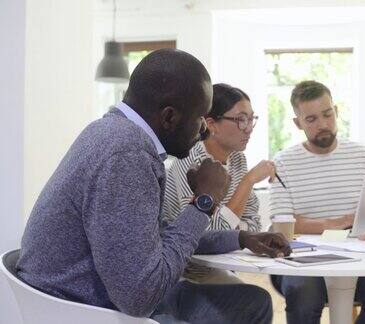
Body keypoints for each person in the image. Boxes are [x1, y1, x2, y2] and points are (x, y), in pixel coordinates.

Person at [16, 49, 290, 324]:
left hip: (99, 298)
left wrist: (240, 239)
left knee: (254, 302)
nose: (204, 131)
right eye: (199, 118)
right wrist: (204, 201)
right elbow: (140, 298)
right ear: (169, 117)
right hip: (89, 311)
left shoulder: (113, 133)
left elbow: (153, 238)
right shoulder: (126, 155)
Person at [269, 80, 365, 324]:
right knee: (303, 294)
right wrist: (341, 222)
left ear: (336, 112)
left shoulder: (362, 155)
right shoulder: (283, 162)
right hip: (303, 257)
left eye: (327, 115)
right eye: (312, 119)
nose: (323, 125)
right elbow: (284, 225)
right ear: (298, 123)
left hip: (360, 254)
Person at [163, 83, 275, 284]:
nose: (248, 128)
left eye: (251, 119)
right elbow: (204, 235)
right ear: (212, 124)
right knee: (253, 299)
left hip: (223, 263)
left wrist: (232, 228)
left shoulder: (238, 159)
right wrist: (248, 182)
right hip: (186, 272)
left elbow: (253, 222)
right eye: (241, 120)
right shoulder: (189, 161)